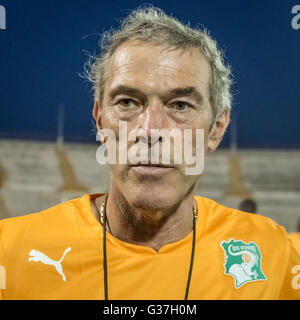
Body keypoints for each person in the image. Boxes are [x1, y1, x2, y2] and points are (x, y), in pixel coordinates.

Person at [0, 6, 299, 300]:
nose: (150, 130)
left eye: (180, 105)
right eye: (128, 102)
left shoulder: (274, 254)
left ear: (217, 127)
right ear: (100, 119)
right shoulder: (10, 252)